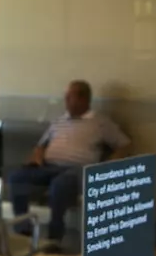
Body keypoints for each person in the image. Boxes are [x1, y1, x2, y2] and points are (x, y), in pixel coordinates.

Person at [9, 80, 132, 242]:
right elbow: (41, 145)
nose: (65, 101)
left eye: (69, 97)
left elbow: (124, 145)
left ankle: (55, 236)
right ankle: (22, 229)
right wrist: (37, 157)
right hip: (48, 166)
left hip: (78, 169)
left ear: (84, 99)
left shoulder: (100, 122)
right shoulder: (59, 121)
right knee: (17, 177)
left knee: (60, 185)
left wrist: (106, 167)